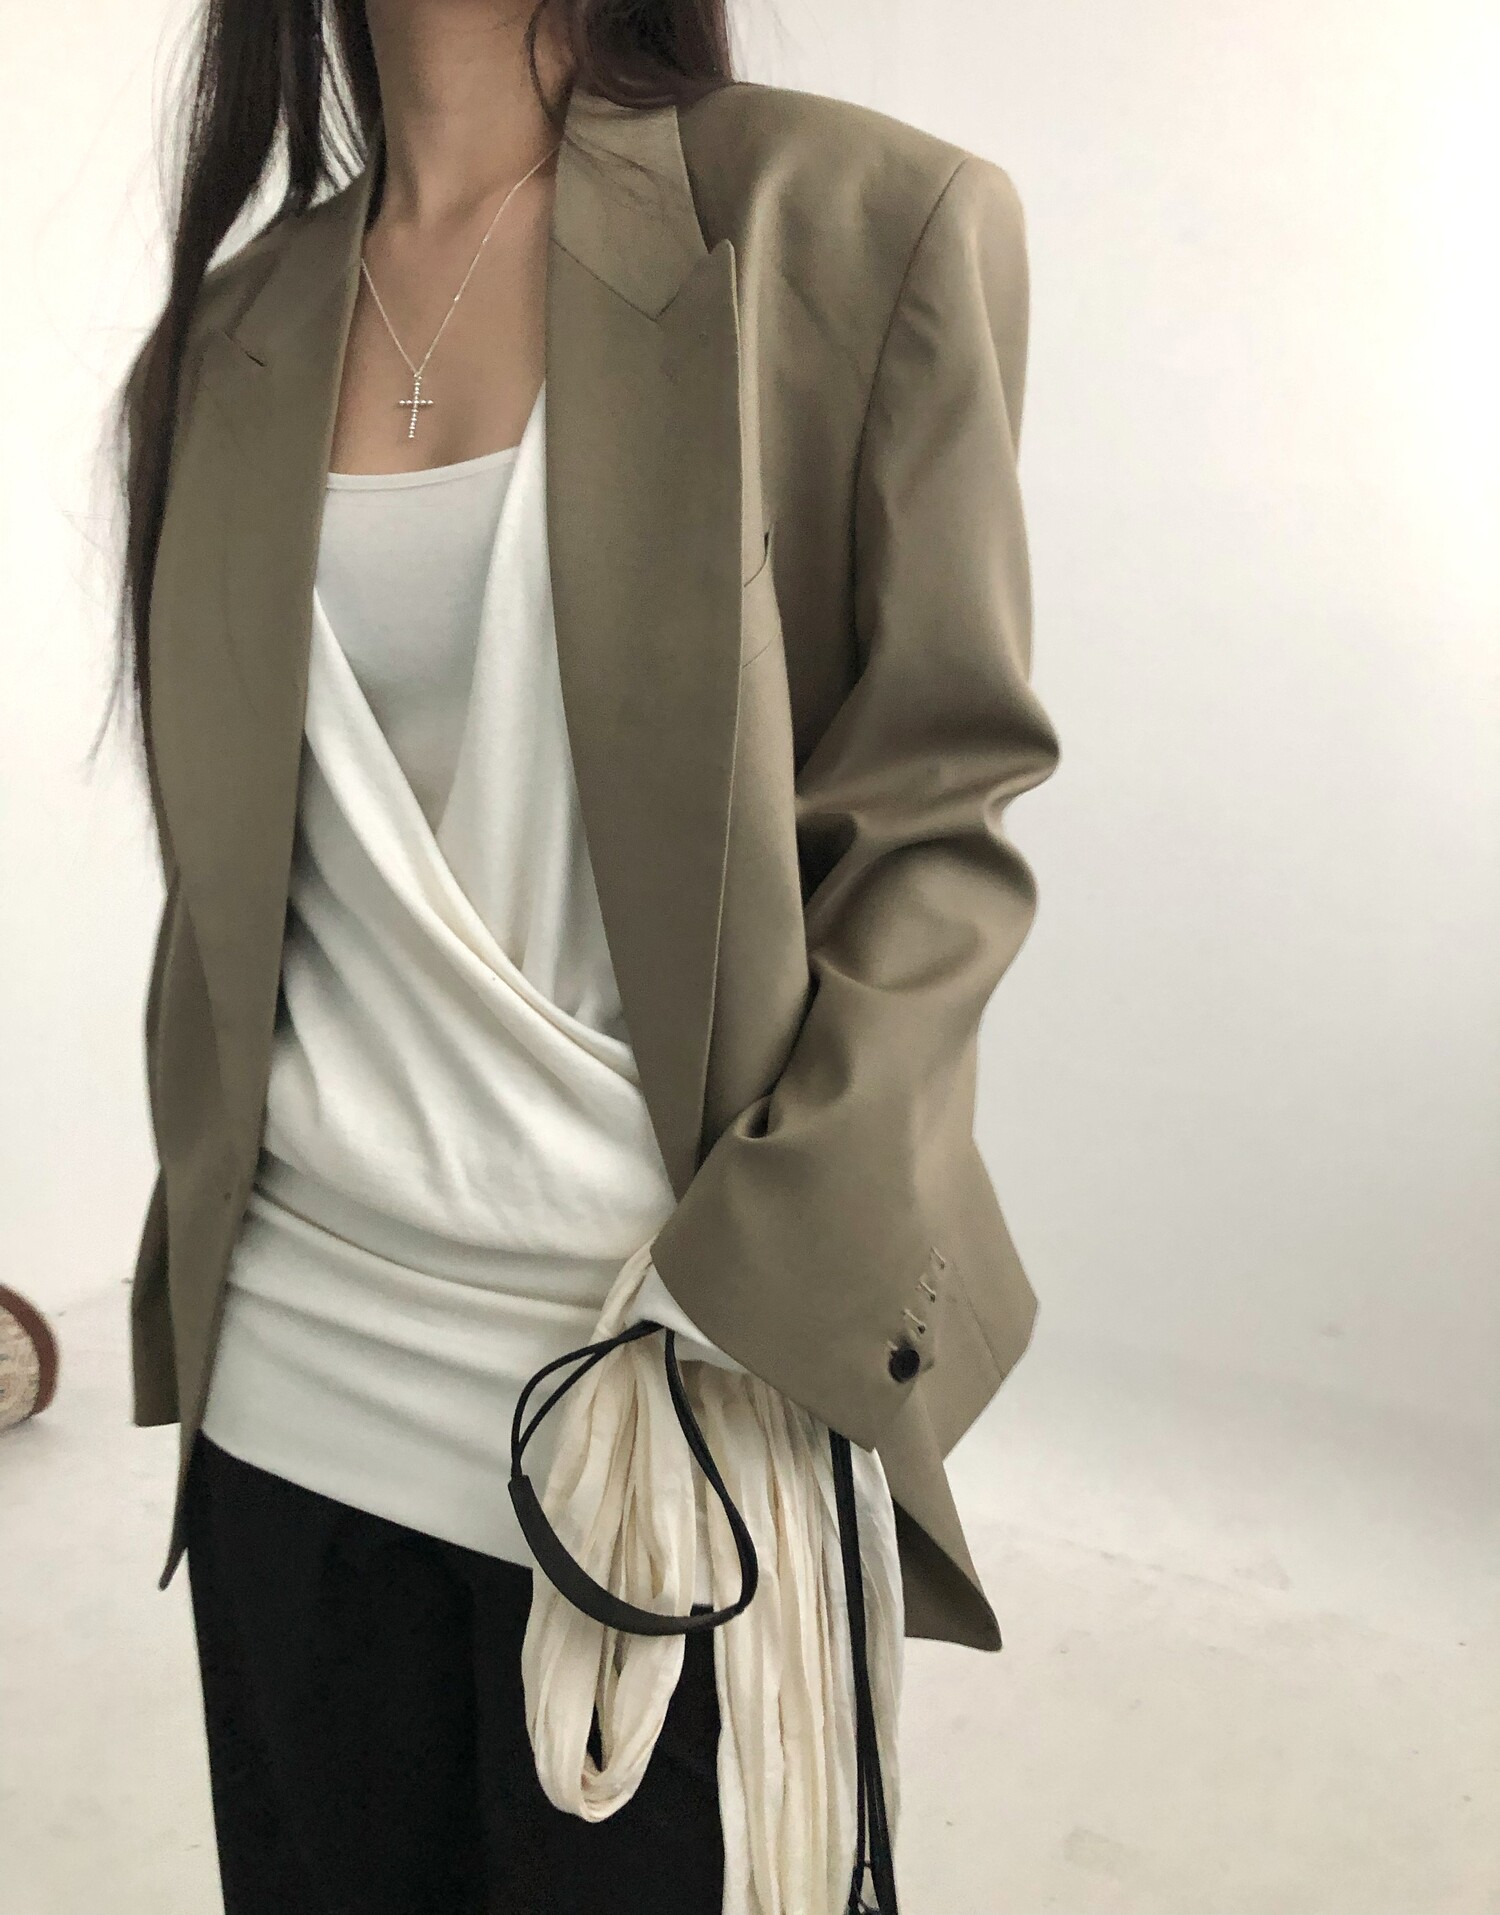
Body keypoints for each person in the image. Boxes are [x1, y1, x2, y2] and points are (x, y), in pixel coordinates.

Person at [114, 1, 1061, 1908]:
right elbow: (244, 889)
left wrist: (748, 1300)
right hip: (289, 1396)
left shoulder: (851, 225)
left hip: (662, 1410)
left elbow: (932, 820)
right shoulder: (233, 331)